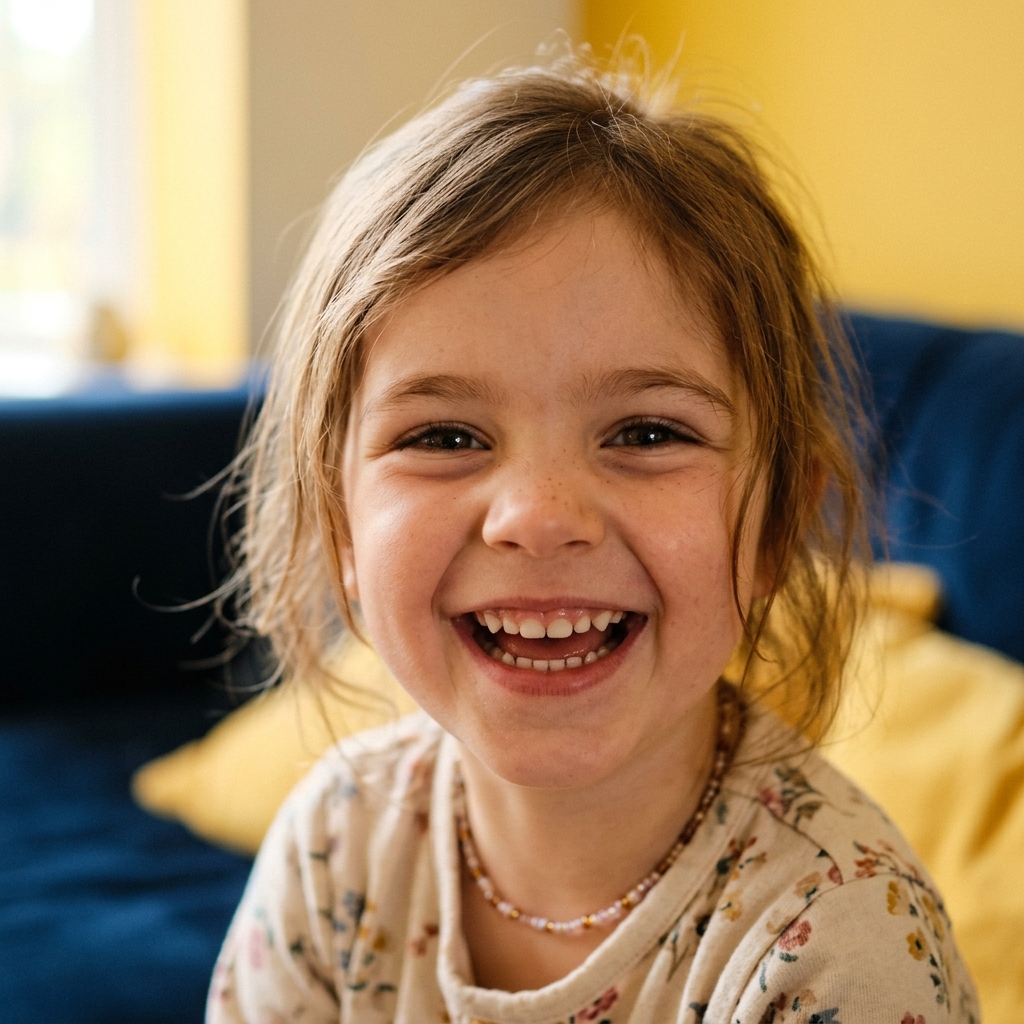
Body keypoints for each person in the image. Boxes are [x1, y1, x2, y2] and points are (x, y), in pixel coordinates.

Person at [207, 52, 979, 1024]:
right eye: (444, 436)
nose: (536, 515)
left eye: (646, 433)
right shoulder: (334, 842)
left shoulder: (836, 948)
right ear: (341, 527)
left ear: (779, 525)